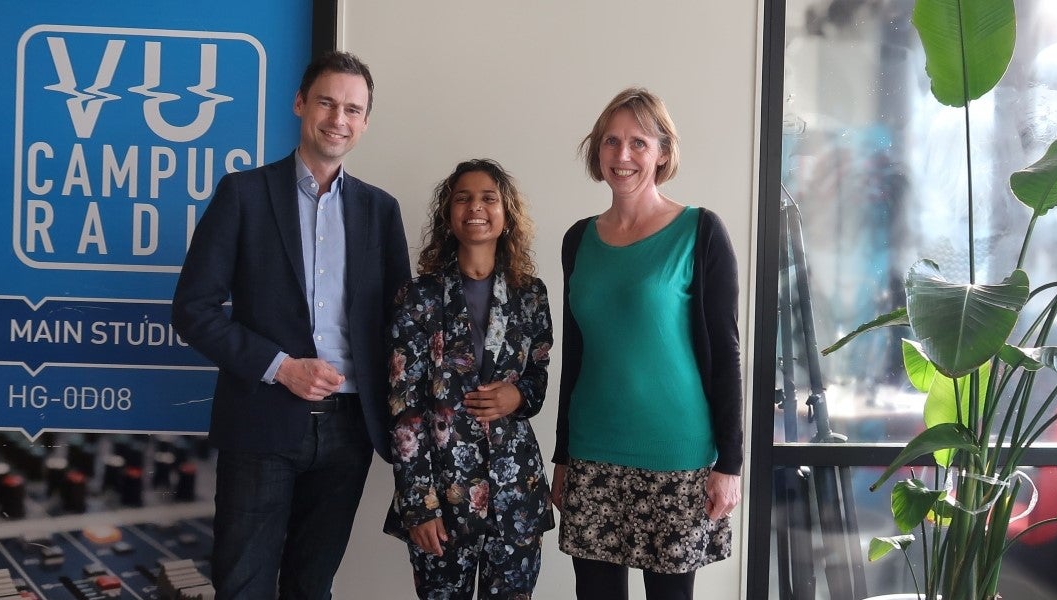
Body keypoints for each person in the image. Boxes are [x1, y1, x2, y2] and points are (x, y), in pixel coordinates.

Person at [171, 51, 411, 599]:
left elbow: (402, 327)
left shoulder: (381, 211)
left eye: (353, 108)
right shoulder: (243, 194)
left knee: (312, 586)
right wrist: (281, 368)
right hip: (261, 422)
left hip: (351, 428)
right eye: (327, 102)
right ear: (300, 103)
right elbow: (193, 309)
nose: (338, 118)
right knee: (243, 585)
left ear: (366, 121)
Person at [550, 88, 744, 600]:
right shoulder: (578, 240)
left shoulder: (699, 232)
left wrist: (731, 463)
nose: (623, 155)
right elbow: (576, 355)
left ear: (662, 152)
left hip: (677, 454)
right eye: (611, 142)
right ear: (597, 152)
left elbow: (726, 354)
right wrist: (562, 454)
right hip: (593, 451)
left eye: (638, 142)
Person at [384, 159, 554, 599]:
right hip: (441, 494)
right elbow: (404, 406)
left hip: (516, 491)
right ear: (449, 214)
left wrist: (518, 395)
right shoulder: (418, 296)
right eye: (463, 198)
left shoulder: (530, 294)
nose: (475, 207)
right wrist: (419, 505)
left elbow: (538, 376)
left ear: (506, 214)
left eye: (488, 198)